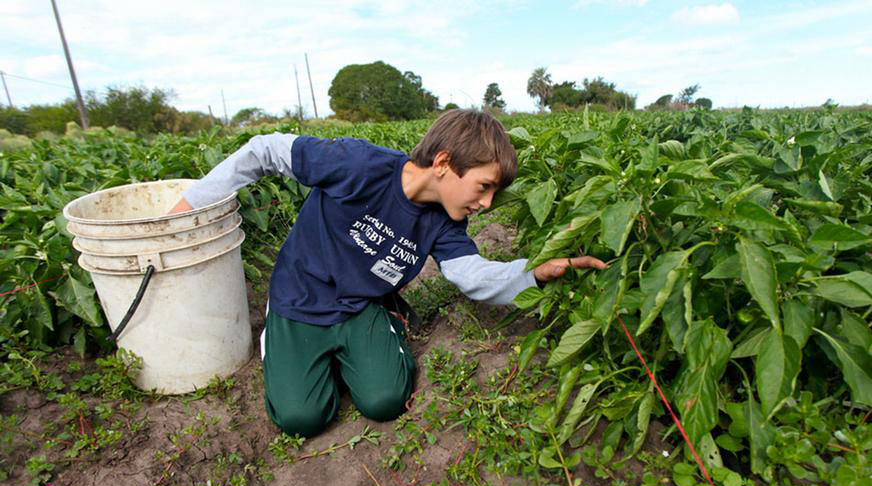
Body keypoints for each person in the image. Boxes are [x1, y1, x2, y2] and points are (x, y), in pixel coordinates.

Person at [168, 109, 606, 437]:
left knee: (385, 400)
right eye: (484, 186)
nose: (487, 203)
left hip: (361, 304)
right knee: (301, 418)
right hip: (299, 298)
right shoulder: (360, 166)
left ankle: (382, 323)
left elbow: (470, 273)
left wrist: (535, 273)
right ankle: (298, 349)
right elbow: (266, 150)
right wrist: (193, 204)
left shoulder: (445, 220)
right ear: (443, 163)